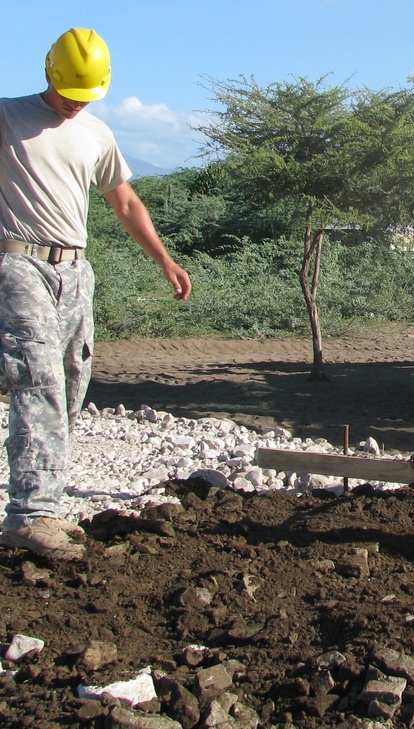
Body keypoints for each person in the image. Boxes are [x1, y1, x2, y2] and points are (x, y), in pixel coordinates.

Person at [0, 28, 192, 560]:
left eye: (85, 96)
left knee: (71, 376)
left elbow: (126, 203)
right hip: (18, 263)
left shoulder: (97, 134)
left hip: (76, 272)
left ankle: (47, 503)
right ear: (48, 75)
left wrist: (165, 260)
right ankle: (30, 514)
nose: (74, 104)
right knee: (35, 376)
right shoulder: (7, 117)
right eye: (68, 94)